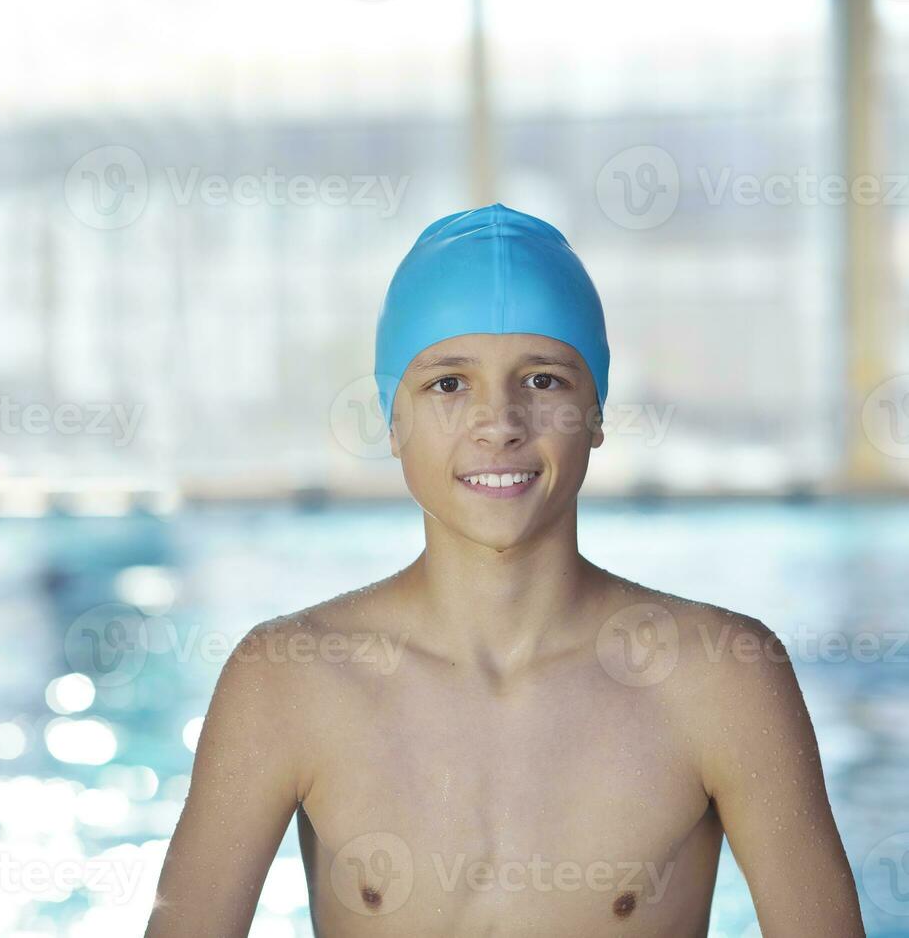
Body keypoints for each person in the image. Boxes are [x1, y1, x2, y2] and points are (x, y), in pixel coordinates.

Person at [143, 204, 864, 937]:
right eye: (447, 385)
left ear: (596, 411)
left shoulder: (719, 677)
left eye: (544, 381)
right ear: (392, 422)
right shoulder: (290, 679)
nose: (500, 423)